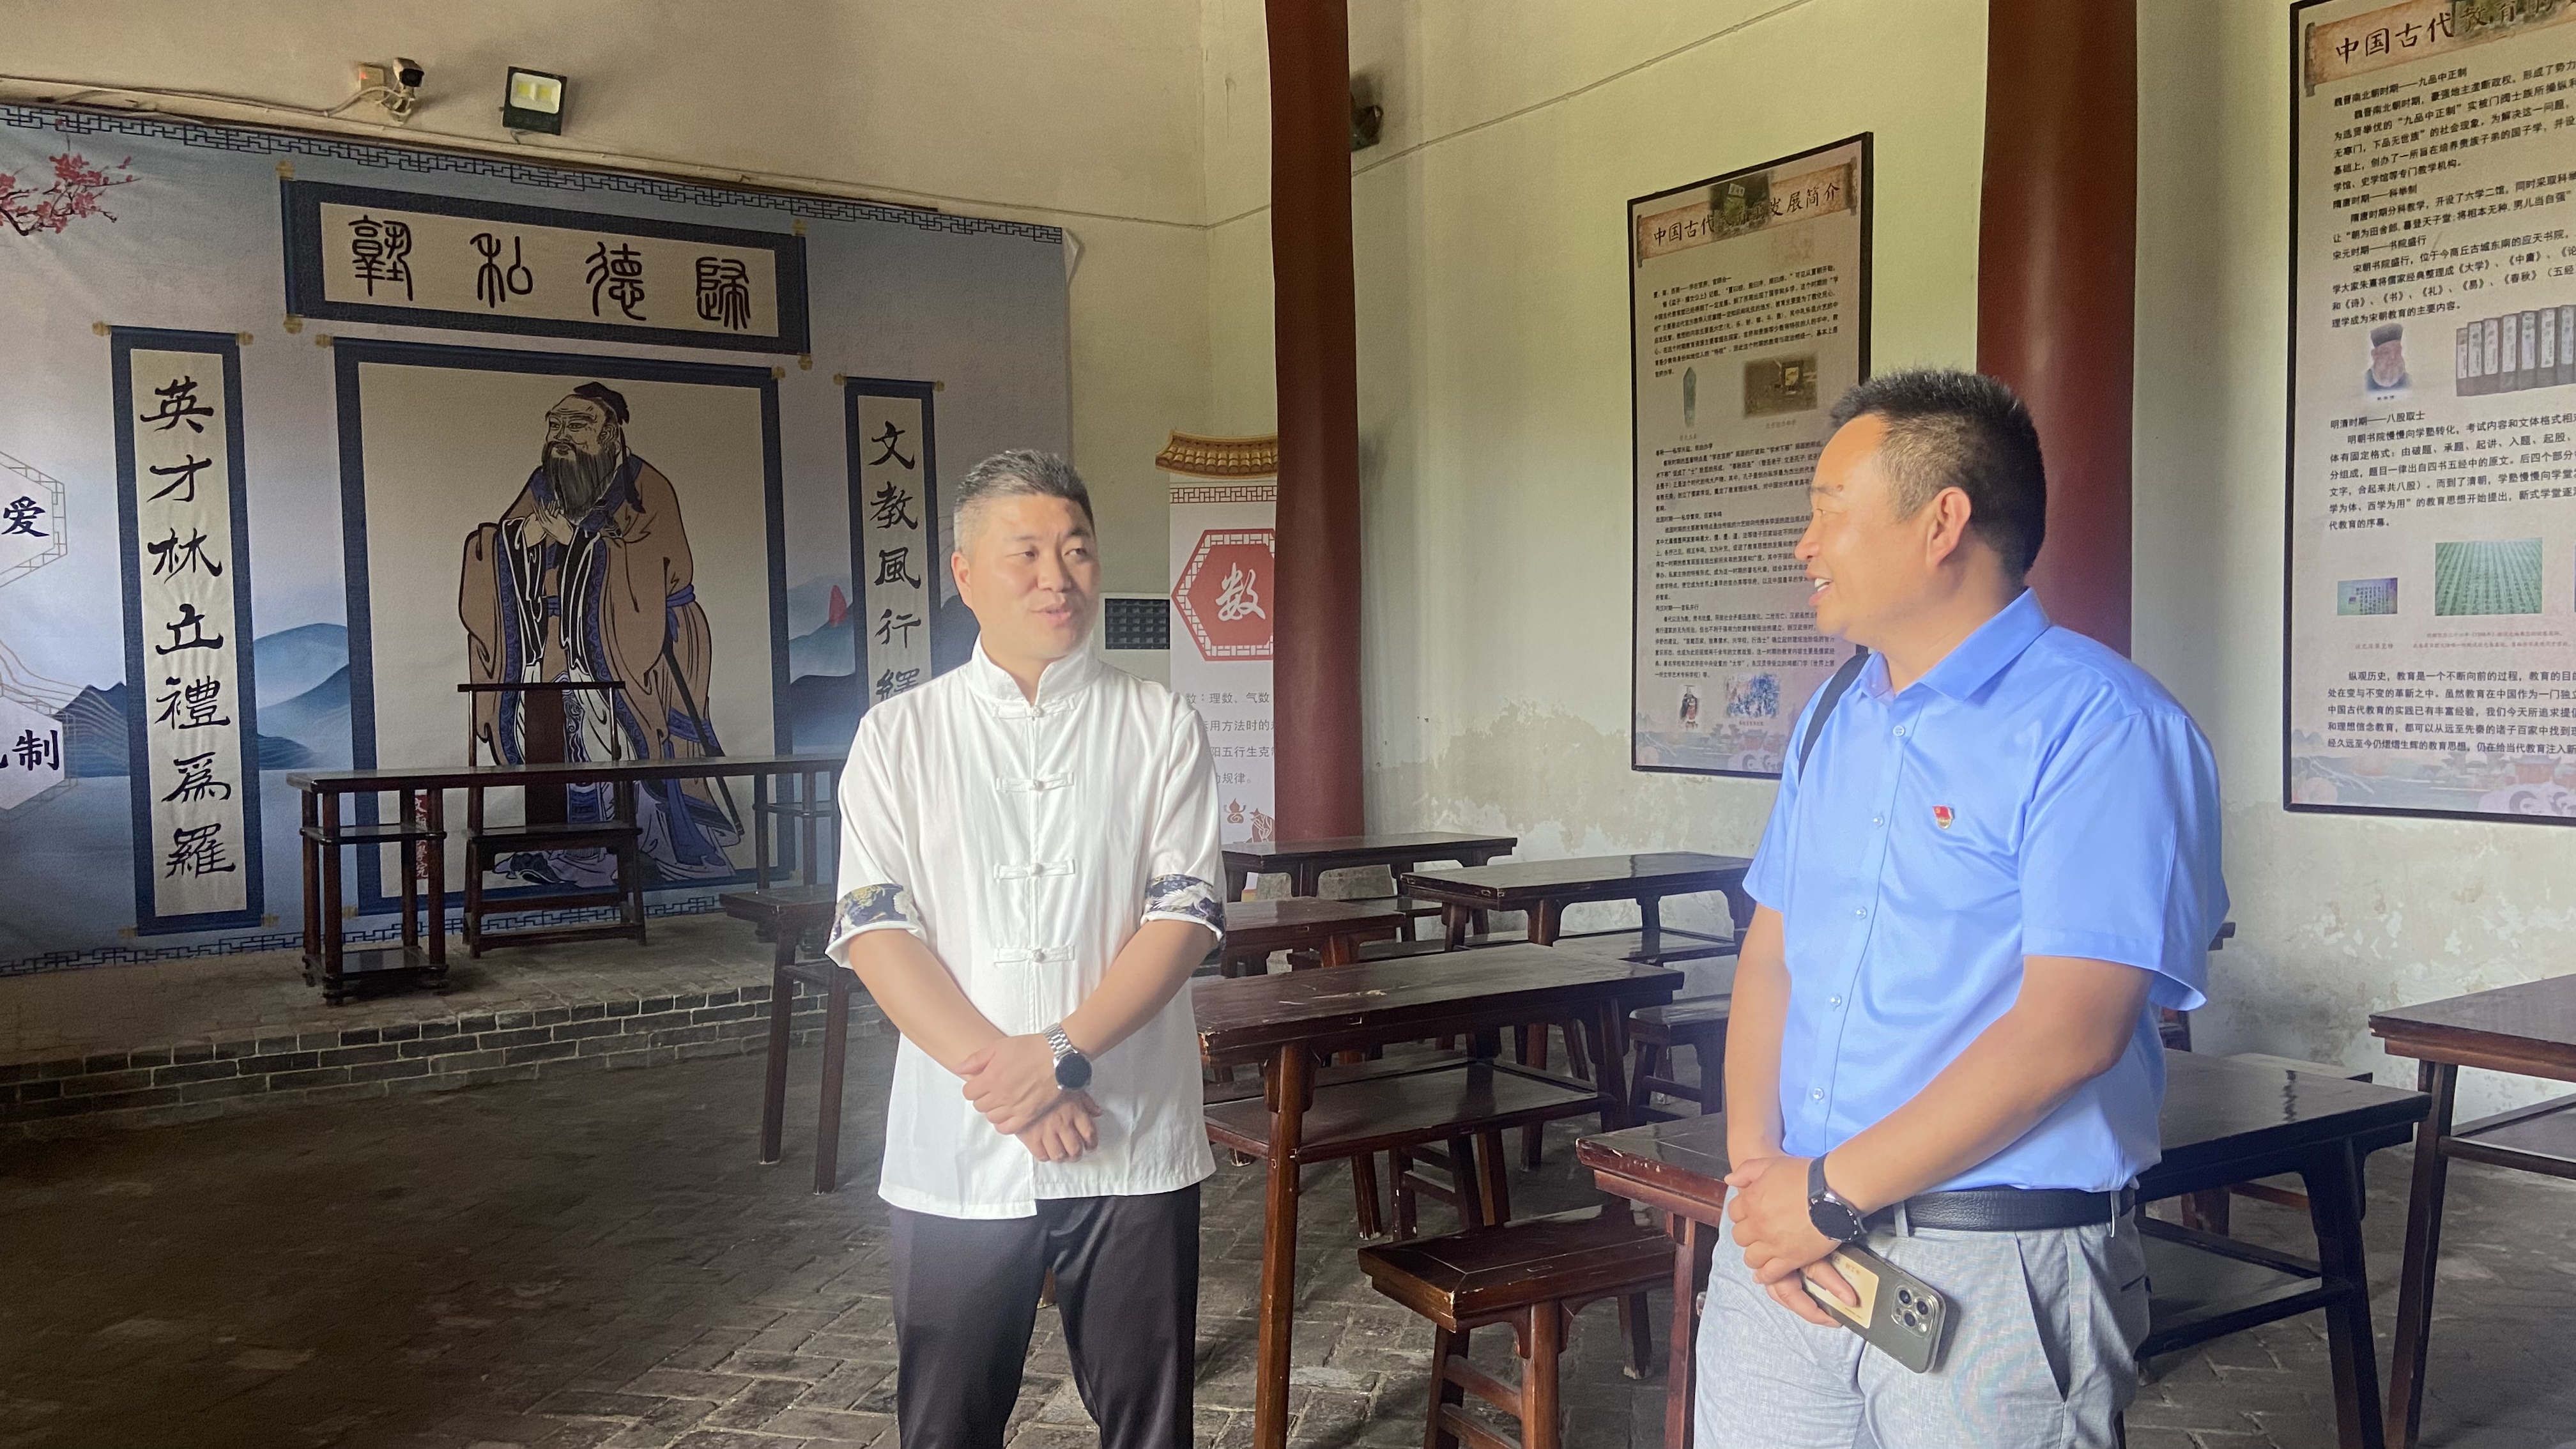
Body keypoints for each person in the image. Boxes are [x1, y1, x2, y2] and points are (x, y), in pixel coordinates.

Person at [1699, 369, 2227, 1447]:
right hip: (1787, 1238)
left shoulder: (2100, 726)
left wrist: (1828, 1194)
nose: (1805, 543)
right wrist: (1761, 1183)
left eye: (1830, 508)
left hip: (1992, 1259)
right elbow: (1771, 954)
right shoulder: (1834, 714)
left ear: (1941, 522)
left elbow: (2069, 1032)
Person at [826, 449, 1223, 1449]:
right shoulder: (899, 737)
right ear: (965, 575)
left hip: (1129, 1129)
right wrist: (1017, 1081)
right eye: (1028, 553)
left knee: (1150, 1427)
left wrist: (1058, 1054)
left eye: (1077, 550)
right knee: (946, 1424)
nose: (1059, 577)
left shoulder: (1161, 725)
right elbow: (876, 930)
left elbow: (1183, 918)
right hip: (961, 1140)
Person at [457, 381, 739, 884]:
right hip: (555, 640)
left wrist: (577, 539)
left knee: (636, 742)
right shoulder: (545, 484)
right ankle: (574, 852)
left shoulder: (646, 488)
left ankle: (665, 850)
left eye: (578, 425)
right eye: (555, 424)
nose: (561, 436)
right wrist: (523, 538)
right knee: (562, 741)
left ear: (609, 435)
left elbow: (650, 567)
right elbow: (496, 544)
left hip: (645, 641)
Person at [2366, 322, 2409, 395]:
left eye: (2397, 351)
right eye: (2386, 352)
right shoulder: (2366, 381)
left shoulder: (2407, 381)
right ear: (2375, 355)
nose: (2393, 357)